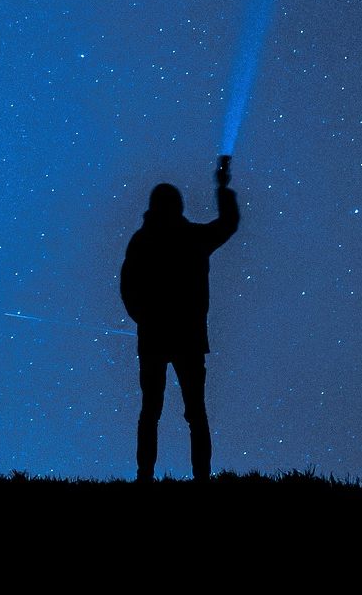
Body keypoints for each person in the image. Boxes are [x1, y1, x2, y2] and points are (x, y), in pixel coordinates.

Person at [119, 155, 240, 482]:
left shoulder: (143, 240)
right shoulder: (191, 239)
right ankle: (200, 478)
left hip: (156, 336)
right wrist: (223, 189)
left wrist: (143, 318)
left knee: (153, 412)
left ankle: (146, 477)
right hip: (185, 336)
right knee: (193, 414)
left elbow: (127, 286)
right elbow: (227, 224)